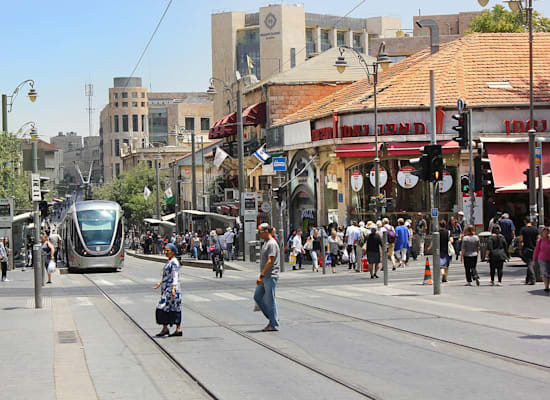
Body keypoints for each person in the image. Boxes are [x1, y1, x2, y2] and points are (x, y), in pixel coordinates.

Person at [254, 223, 280, 332]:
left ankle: (273, 324)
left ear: (265, 232)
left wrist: (261, 275)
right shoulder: (265, 243)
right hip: (265, 276)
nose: (258, 234)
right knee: (257, 297)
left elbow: (270, 261)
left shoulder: (272, 244)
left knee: (270, 300)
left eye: (259, 231)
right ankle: (273, 318)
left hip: (270, 276)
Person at [152, 243, 182, 337]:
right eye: (165, 250)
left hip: (171, 290)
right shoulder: (170, 261)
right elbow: (167, 275)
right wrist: (160, 283)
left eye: (168, 251)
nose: (166, 252)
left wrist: (173, 288)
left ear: (173, 252)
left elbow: (175, 276)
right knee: (169, 308)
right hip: (167, 289)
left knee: (164, 307)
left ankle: (177, 329)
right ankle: (166, 328)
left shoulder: (174, 262)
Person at [519, 217, 539, 286]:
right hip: (534, 248)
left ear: (525, 221)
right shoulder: (535, 229)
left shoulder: (523, 229)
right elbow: (539, 239)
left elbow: (521, 240)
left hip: (526, 248)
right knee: (530, 263)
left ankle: (533, 279)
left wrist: (520, 249)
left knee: (529, 263)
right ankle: (527, 279)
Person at [533, 226, 550, 293]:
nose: (546, 233)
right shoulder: (540, 241)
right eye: (544, 232)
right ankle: (546, 286)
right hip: (542, 259)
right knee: (545, 272)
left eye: (547, 232)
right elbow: (536, 251)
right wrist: (534, 260)